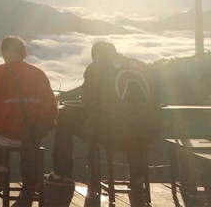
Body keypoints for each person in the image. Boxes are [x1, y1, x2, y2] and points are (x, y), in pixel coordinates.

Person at [46, 41, 162, 207]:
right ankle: (137, 178)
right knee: (135, 131)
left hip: (110, 134)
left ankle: (62, 175)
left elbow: (88, 101)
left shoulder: (96, 67)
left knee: (64, 118)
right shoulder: (142, 66)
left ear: (96, 56)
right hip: (146, 133)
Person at [0, 36, 58, 206]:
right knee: (22, 139)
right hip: (33, 136)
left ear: (4, 53)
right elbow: (51, 110)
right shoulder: (39, 74)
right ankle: (28, 184)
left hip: (6, 135)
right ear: (24, 53)